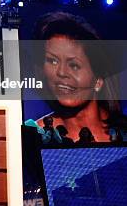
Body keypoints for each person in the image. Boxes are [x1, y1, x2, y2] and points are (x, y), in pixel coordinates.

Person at [32, 11, 125, 143]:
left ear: (98, 80)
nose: (61, 72)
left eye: (74, 65)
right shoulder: (34, 136)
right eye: (53, 61)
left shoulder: (122, 133)